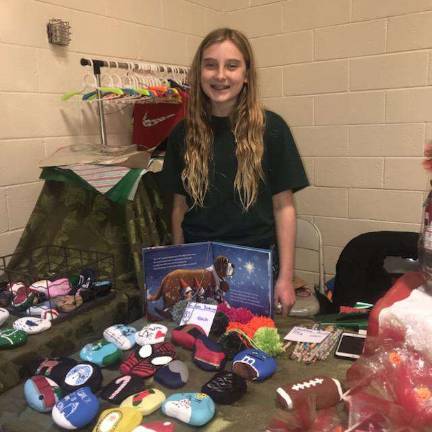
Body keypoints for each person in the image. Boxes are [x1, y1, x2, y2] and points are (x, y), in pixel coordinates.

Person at [162, 28, 309, 315]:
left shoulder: (273, 129)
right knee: (197, 346)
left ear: (246, 74)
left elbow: (284, 207)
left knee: (249, 346)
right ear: (198, 72)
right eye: (210, 65)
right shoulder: (182, 134)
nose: (220, 75)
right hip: (198, 260)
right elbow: (179, 207)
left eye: (232, 65)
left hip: (254, 262)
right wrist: (180, 264)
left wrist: (286, 278)